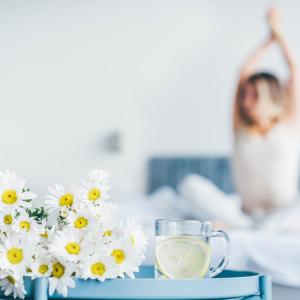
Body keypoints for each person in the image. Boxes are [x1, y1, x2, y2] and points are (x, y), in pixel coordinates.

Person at [232, 6, 299, 218]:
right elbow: (244, 72)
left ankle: (264, 227)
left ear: (271, 99)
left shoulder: (289, 124)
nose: (246, 101)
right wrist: (268, 40)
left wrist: (278, 35)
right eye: (245, 94)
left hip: (285, 214)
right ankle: (245, 225)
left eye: (254, 95)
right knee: (191, 186)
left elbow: (294, 72)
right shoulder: (240, 127)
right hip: (245, 214)